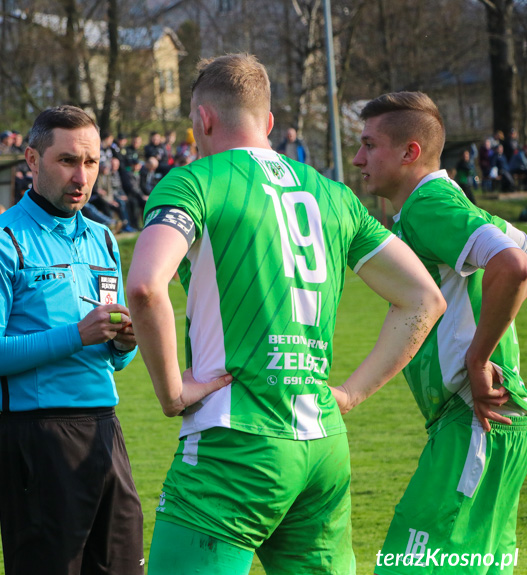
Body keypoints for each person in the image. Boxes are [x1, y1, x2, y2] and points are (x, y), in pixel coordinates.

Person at [126, 54, 445, 574]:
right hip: (322, 448)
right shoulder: (333, 194)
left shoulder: (194, 182)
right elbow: (424, 299)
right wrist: (351, 393)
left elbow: (144, 287)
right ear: (268, 123)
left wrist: (171, 393)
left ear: (203, 120)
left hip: (235, 444)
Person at [0, 105, 144, 575]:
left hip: (106, 428)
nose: (81, 176)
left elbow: (116, 359)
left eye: (91, 162)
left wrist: (125, 342)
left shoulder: (103, 239)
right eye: (66, 161)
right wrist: (77, 335)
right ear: (32, 160)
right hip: (38, 438)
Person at [353, 91, 527, 575]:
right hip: (484, 420)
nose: (358, 158)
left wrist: (478, 358)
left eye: (369, 144)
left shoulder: (429, 203)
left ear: (410, 152)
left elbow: (514, 265)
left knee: (407, 565)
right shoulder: (444, 202)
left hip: (475, 416)